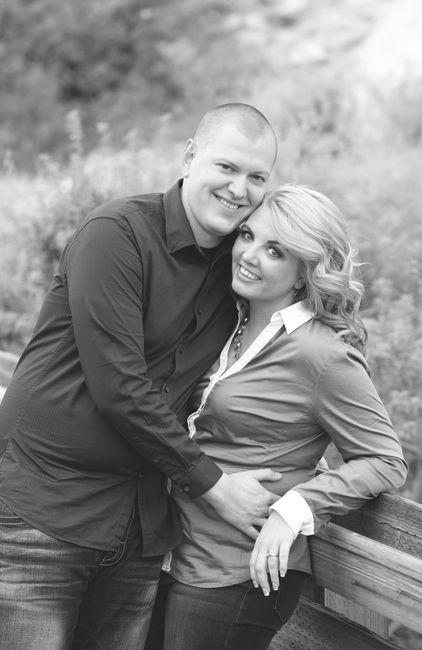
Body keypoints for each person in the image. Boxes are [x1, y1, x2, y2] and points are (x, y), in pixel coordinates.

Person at [0, 103, 280, 650]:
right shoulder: (118, 234)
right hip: (44, 513)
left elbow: (264, 355)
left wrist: (300, 439)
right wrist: (217, 487)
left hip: (140, 527)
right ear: (190, 157)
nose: (238, 189)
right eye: (226, 167)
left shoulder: (240, 265)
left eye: (256, 177)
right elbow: (119, 385)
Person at [145, 184, 408, 650]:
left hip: (238, 570)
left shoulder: (322, 353)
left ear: (306, 273)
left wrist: (295, 508)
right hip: (176, 551)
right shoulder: (229, 322)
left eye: (275, 251)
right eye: (248, 235)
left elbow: (385, 460)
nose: (248, 255)